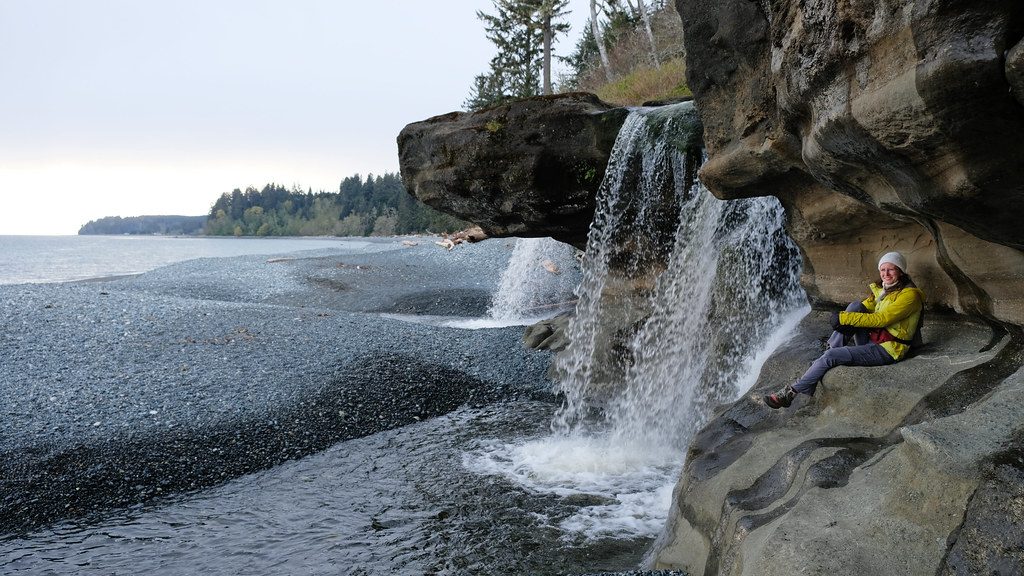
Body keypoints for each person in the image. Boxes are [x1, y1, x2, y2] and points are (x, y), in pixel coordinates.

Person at [764, 251, 925, 409]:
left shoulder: (910, 295)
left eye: (891, 269)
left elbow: (882, 319)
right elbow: (863, 308)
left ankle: (791, 393)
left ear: (901, 271)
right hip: (872, 339)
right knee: (856, 306)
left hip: (890, 348)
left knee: (831, 355)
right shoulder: (883, 291)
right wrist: (845, 316)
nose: (886, 274)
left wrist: (842, 318)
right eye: (883, 270)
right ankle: (831, 349)